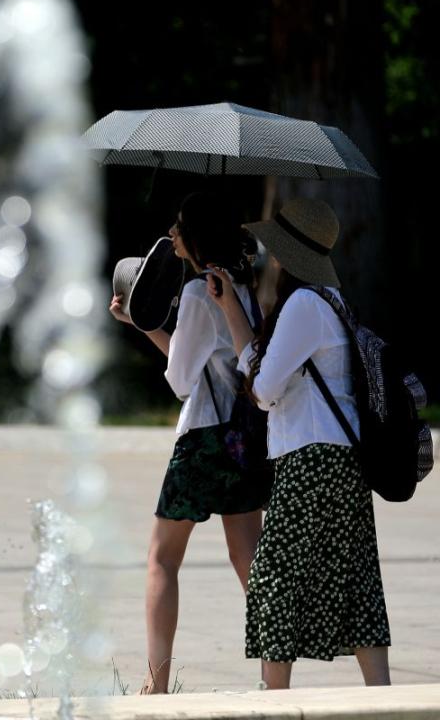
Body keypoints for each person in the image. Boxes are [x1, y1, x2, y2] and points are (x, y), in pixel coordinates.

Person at [206, 197, 390, 690]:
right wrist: (229, 306)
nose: (268, 256)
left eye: (275, 249)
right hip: (341, 458)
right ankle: (382, 696)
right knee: (355, 580)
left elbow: (263, 390)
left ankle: (275, 697)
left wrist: (262, 378)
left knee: (273, 578)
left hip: (310, 460)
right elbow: (264, 369)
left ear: (288, 254)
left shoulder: (304, 304)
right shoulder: (330, 299)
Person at [110, 191, 272, 693]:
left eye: (179, 228)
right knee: (248, 558)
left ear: (195, 236)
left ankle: (156, 683)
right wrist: (148, 326)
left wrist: (149, 326)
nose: (173, 237)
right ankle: (275, 674)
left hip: (203, 438)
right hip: (245, 441)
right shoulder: (240, 288)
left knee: (163, 559)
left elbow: (183, 381)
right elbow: (204, 363)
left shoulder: (202, 294)